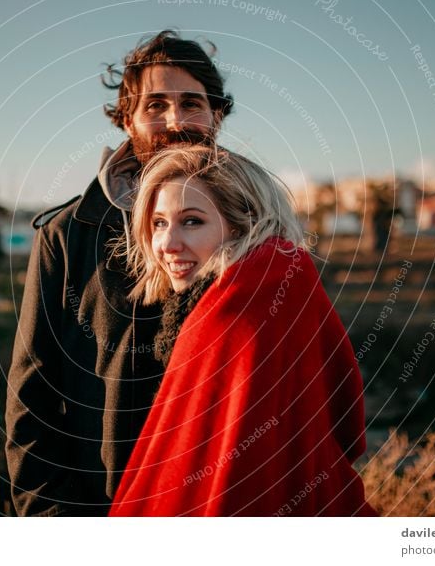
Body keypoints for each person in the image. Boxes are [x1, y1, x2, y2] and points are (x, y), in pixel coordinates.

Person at [5, 31, 234, 516]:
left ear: (217, 115)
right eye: (155, 106)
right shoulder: (67, 235)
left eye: (191, 103)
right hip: (102, 506)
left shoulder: (255, 228)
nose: (174, 121)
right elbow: (32, 397)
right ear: (126, 120)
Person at [108, 146, 377, 516]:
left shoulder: (239, 310)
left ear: (242, 223)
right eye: (158, 223)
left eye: (192, 221)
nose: (168, 244)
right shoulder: (252, 288)